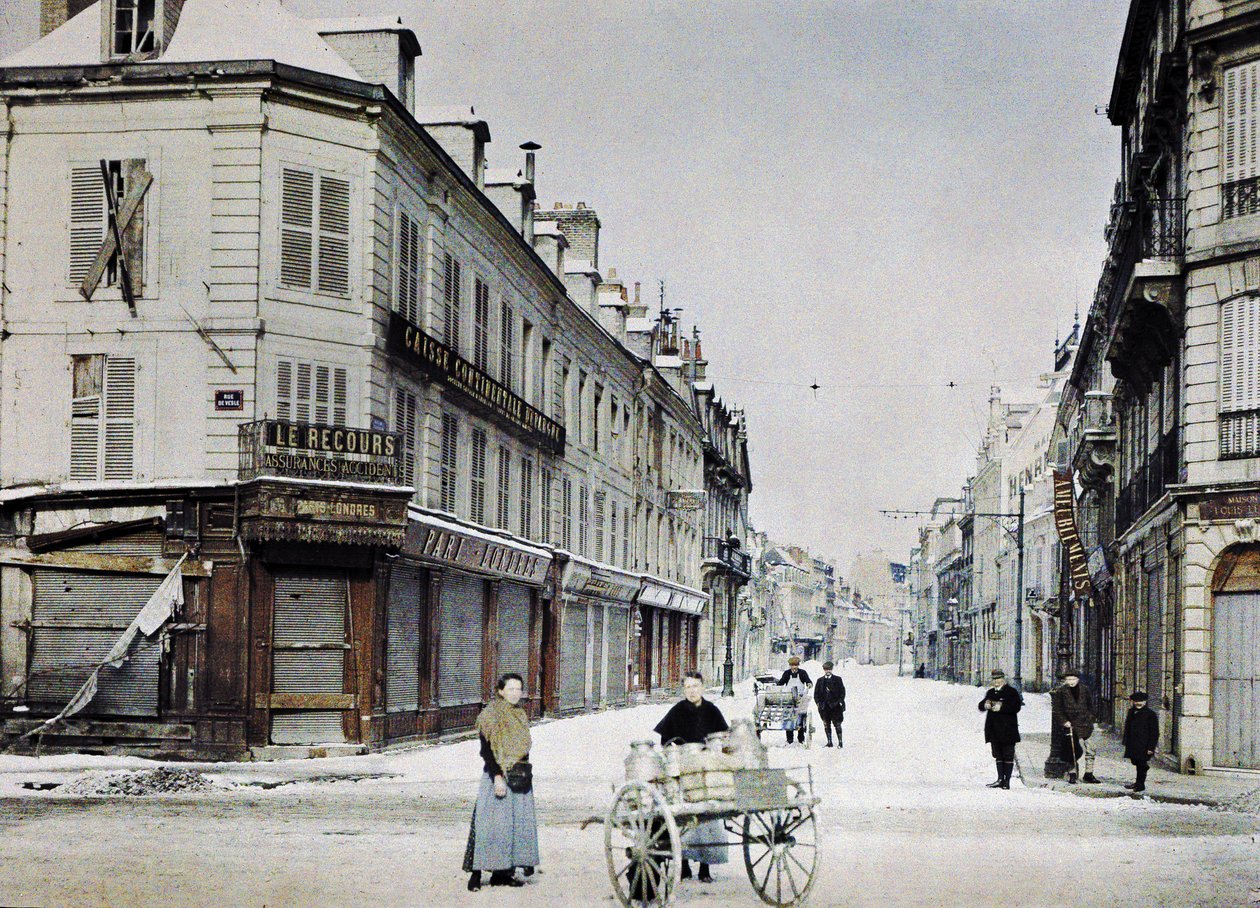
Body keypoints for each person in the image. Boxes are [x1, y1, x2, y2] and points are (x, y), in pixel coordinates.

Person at [464, 673, 539, 891]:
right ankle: (475, 875)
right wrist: (497, 776)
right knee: (488, 825)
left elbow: (522, 748)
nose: (515, 693)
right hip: (496, 776)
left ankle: (503, 873)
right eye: (511, 689)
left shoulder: (520, 715)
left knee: (513, 827)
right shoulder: (490, 715)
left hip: (518, 776)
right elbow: (486, 751)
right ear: (500, 691)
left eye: (519, 689)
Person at [654, 670, 729, 883]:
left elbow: (722, 737)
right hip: (684, 769)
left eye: (695, 686)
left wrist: (713, 751)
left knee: (709, 817)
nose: (692, 691)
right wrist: (675, 752)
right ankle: (684, 864)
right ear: (684, 689)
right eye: (687, 687)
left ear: (702, 687)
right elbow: (665, 742)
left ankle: (705, 867)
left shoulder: (712, 710)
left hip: (706, 770)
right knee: (683, 817)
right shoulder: (677, 711)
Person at [1050, 668, 1099, 784]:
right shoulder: (1061, 692)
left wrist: (1091, 717)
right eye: (1068, 679)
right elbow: (1057, 709)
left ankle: (1089, 773)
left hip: (1085, 724)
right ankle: (1072, 773)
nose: (1071, 681)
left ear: (1078, 679)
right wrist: (1064, 721)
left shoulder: (1085, 690)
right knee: (1071, 750)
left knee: (1091, 749)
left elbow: (1091, 705)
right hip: (1070, 725)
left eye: (1073, 679)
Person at [978, 669, 1022, 790]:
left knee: (1008, 755)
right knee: (998, 755)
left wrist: (1001, 707)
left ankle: (1007, 781)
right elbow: (981, 706)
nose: (996, 682)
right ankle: (1000, 779)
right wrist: (985, 704)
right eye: (994, 679)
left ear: (1003, 679)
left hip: (1008, 729)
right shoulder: (990, 692)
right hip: (994, 729)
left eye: (998, 679)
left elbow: (1016, 707)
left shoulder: (1011, 692)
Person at [1122, 690, 1159, 794]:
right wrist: (1126, 741)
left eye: (1141, 701)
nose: (1138, 703)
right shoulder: (1131, 712)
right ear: (1133, 701)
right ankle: (1138, 782)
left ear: (1145, 702)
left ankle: (1140, 784)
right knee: (1136, 762)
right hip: (1133, 744)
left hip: (1144, 745)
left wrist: (1151, 748)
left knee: (1142, 764)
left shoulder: (1150, 714)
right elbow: (1127, 727)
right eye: (1136, 701)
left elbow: (1154, 733)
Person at [777, 655, 813, 745]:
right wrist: (776, 686)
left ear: (798, 665)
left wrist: (809, 684)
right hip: (788, 697)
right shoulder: (786, 673)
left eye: (796, 665)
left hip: (799, 697)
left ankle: (801, 738)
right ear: (790, 665)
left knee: (800, 716)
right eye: (792, 665)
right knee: (788, 717)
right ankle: (789, 739)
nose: (794, 667)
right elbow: (781, 683)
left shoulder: (802, 673)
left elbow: (808, 681)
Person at [814, 660, 846, 748]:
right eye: (826, 669)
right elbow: (816, 694)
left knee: (837, 724)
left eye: (829, 669)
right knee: (826, 724)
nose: (828, 671)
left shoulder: (838, 679)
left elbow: (842, 692)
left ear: (832, 669)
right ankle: (829, 742)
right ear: (824, 670)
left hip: (835, 706)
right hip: (824, 707)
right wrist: (818, 704)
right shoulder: (820, 681)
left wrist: (839, 701)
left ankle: (840, 742)